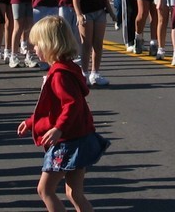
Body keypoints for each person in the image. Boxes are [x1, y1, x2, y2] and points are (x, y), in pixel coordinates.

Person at [18, 15, 110, 212]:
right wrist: (31, 121)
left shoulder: (59, 74)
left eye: (37, 45)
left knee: (45, 190)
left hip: (68, 141)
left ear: (49, 44)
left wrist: (59, 128)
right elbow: (55, 107)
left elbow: (71, 104)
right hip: (80, 137)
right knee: (74, 193)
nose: (34, 49)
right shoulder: (68, 68)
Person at [73, 0, 117, 86]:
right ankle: (84, 73)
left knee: (98, 44)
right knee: (87, 44)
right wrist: (79, 14)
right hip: (86, 13)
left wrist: (111, 12)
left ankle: (95, 73)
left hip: (100, 12)